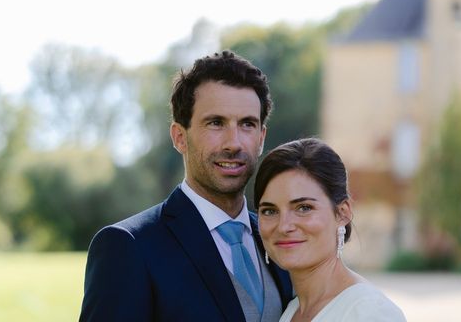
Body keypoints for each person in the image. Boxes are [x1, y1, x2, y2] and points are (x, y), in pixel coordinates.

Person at [80, 50, 293, 322]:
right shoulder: (128, 247)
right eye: (216, 123)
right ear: (180, 137)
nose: (234, 143)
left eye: (247, 124)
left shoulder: (279, 238)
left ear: (261, 137)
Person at [254, 138, 406, 322]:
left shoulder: (368, 313)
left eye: (303, 208)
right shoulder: (291, 312)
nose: (284, 226)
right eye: (270, 211)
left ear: (342, 213)